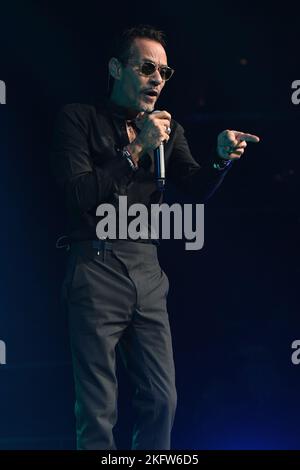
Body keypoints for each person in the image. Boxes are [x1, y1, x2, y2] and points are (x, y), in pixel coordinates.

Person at [51, 25, 260, 450]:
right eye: (146, 67)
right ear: (116, 68)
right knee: (98, 408)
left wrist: (220, 160)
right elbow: (78, 195)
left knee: (162, 399)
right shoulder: (78, 118)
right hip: (95, 263)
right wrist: (136, 150)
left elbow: (195, 186)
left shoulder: (168, 130)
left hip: (147, 268)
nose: (157, 80)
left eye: (164, 72)